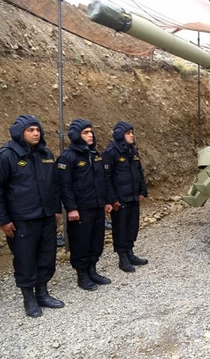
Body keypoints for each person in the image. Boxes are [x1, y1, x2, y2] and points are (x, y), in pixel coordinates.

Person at [0, 115, 64, 317]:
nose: (35, 133)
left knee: (46, 256)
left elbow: (54, 184)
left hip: (46, 216)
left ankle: (42, 292)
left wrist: (56, 208)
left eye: (38, 130)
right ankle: (29, 298)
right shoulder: (6, 156)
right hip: (22, 219)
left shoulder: (45, 154)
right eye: (30, 130)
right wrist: (3, 221)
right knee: (25, 260)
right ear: (19, 132)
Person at [57, 119, 113, 291]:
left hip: (97, 206)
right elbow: (64, 186)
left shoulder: (95, 154)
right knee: (80, 242)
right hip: (80, 210)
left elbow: (104, 180)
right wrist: (71, 208)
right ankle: (82, 275)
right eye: (85, 132)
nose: (90, 135)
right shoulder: (68, 157)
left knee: (96, 240)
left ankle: (92, 270)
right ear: (76, 135)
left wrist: (107, 201)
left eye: (91, 132)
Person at [102, 121, 149, 272]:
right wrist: (112, 199)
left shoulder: (132, 151)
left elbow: (139, 171)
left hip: (133, 196)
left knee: (132, 226)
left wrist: (142, 191)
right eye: (128, 133)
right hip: (120, 199)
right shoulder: (110, 153)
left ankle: (130, 252)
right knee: (120, 228)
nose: (131, 135)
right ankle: (122, 257)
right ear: (120, 135)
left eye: (132, 132)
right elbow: (106, 178)